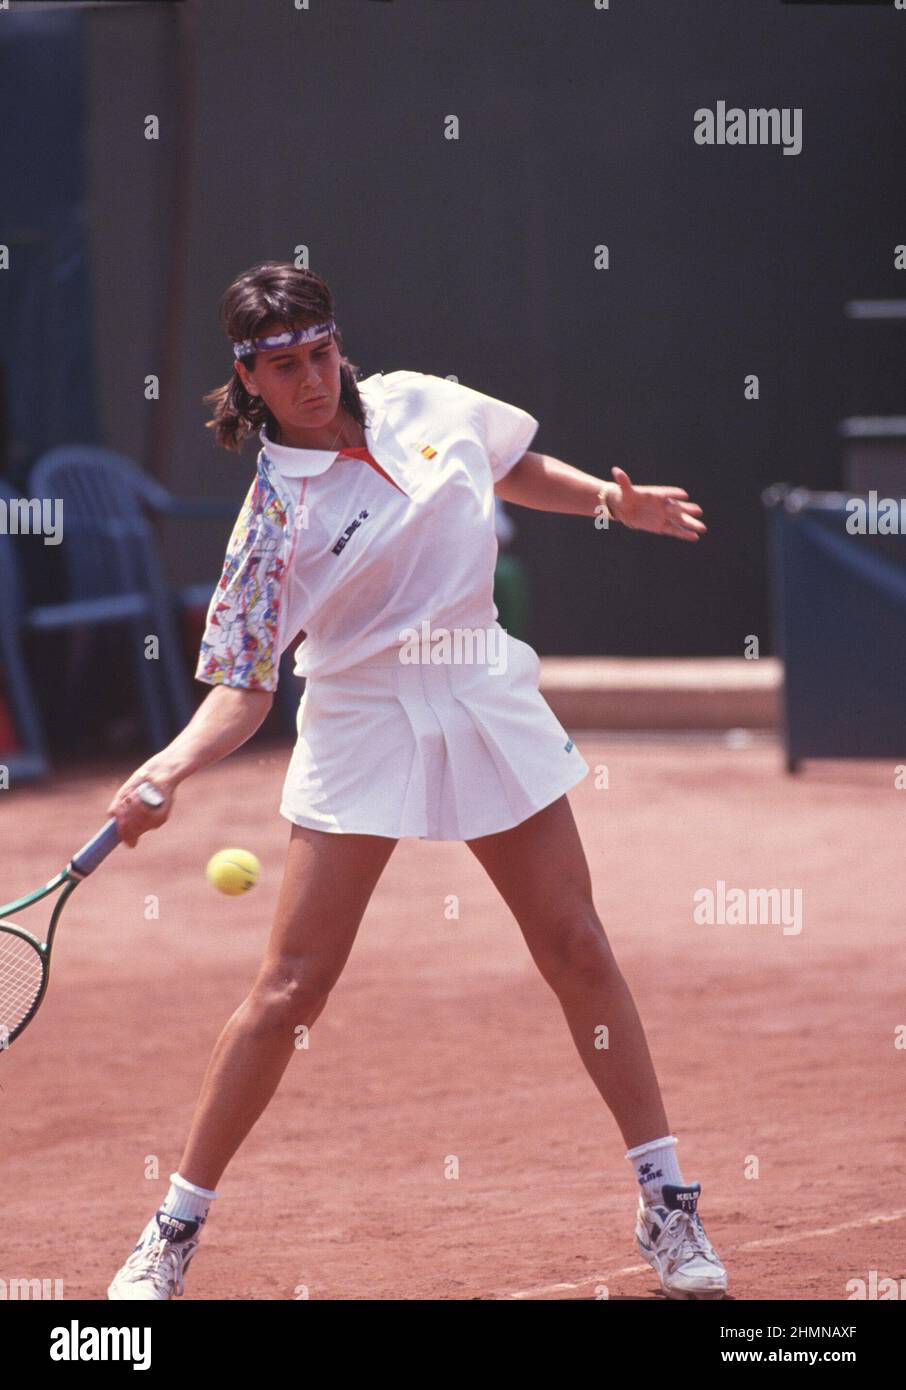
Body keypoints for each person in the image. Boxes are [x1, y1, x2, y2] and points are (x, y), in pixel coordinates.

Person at [105, 261, 725, 1301]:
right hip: (361, 715)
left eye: (321, 353)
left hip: (480, 685)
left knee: (577, 945)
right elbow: (244, 689)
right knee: (291, 990)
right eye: (286, 368)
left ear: (338, 343)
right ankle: (172, 1228)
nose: (313, 379)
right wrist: (168, 766)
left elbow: (512, 465)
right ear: (248, 377)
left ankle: (667, 1202)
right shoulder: (270, 520)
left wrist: (611, 505)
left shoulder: (424, 402)